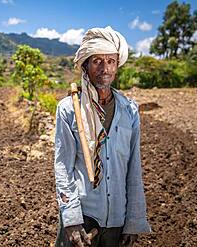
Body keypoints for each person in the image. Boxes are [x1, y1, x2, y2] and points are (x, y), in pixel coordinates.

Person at [54, 26, 151, 247]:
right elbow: (63, 166)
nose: (104, 69)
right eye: (97, 61)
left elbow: (133, 168)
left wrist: (134, 220)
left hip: (117, 219)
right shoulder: (70, 109)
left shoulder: (129, 111)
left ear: (117, 66)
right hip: (83, 216)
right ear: (86, 65)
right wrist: (71, 218)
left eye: (110, 61)